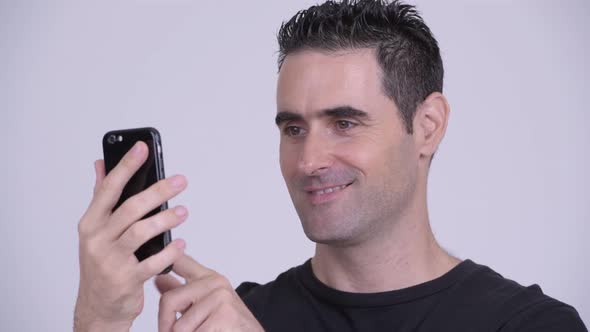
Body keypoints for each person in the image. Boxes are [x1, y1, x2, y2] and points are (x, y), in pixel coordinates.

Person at [74, 0, 587, 331]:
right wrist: (99, 318)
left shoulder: (526, 326)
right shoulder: (237, 318)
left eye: (344, 123)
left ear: (427, 125)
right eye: (293, 129)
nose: (309, 161)